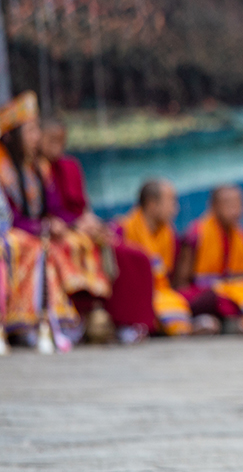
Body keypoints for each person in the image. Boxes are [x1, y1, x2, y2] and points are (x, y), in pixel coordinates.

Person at [0, 93, 110, 347]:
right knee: (34, 248)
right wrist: (44, 227)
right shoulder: (3, 170)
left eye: (36, 130)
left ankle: (79, 315)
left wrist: (74, 223)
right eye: (30, 131)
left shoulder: (38, 167)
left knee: (79, 241)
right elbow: (9, 218)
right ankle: (28, 322)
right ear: (12, 136)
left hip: (37, 230)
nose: (36, 137)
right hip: (15, 231)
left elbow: (55, 208)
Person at [41, 118, 156, 343]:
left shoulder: (70, 166)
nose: (58, 147)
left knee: (135, 256)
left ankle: (129, 324)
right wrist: (74, 225)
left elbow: (82, 207)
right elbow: (43, 210)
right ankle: (76, 321)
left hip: (82, 228)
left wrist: (95, 224)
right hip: (59, 231)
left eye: (62, 141)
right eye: (52, 140)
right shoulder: (36, 171)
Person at [175, 185, 243, 334]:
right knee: (214, 300)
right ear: (214, 206)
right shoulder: (196, 235)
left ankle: (224, 322)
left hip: (235, 292)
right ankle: (219, 321)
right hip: (206, 293)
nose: (235, 210)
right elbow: (181, 282)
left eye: (239, 204)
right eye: (228, 204)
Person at [119, 179, 205, 336]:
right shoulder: (122, 231)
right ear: (152, 204)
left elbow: (172, 279)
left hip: (163, 293)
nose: (176, 208)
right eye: (171, 202)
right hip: (133, 297)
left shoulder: (170, 236)